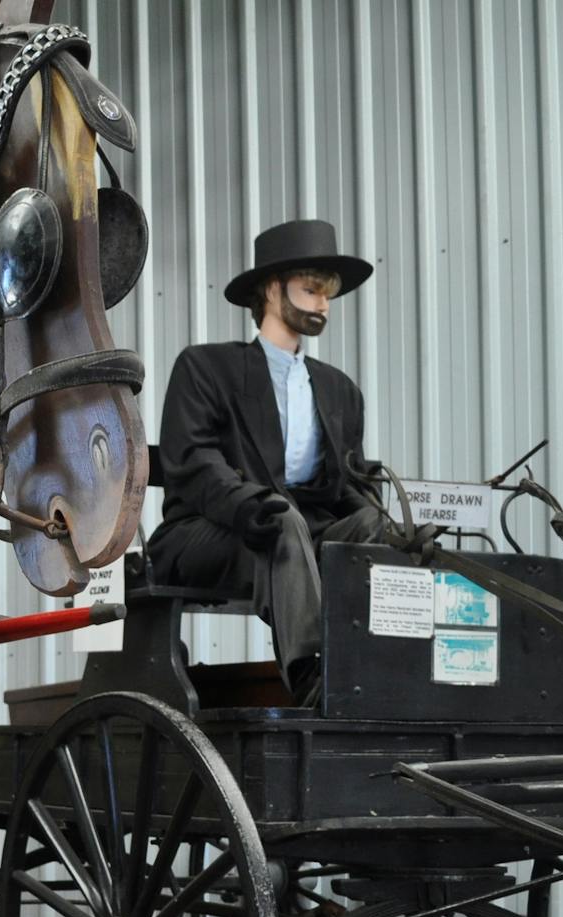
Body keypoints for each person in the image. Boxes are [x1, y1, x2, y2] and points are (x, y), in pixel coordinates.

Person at [147, 219, 392, 704]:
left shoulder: (339, 390)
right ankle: (311, 676)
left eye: (328, 294)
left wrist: (381, 518)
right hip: (208, 529)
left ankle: (371, 665)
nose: (323, 304)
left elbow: (345, 479)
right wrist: (245, 504)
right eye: (311, 289)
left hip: (300, 530)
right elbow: (193, 461)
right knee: (282, 520)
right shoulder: (205, 367)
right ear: (270, 288)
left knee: (369, 525)